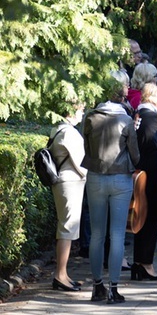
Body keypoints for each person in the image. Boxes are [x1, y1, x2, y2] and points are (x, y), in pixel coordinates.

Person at [82, 70, 139, 303]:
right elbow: (135, 154)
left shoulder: (90, 117)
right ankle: (114, 288)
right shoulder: (125, 119)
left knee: (97, 234)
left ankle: (97, 286)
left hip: (95, 176)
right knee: (117, 235)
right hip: (120, 177)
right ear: (122, 88)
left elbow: (85, 148)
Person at [49, 102, 87, 292]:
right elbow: (81, 163)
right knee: (67, 228)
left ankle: (63, 274)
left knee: (66, 227)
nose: (83, 113)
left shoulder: (57, 129)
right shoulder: (69, 132)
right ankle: (60, 275)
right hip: (70, 182)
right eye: (81, 109)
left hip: (65, 181)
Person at [132, 84, 157, 282]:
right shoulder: (151, 119)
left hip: (142, 173)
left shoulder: (139, 115)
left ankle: (139, 263)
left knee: (142, 218)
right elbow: (155, 146)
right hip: (151, 175)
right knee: (149, 219)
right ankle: (145, 263)